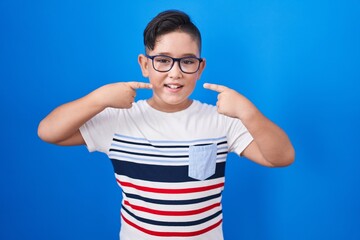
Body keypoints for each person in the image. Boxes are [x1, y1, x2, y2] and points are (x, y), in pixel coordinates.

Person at [38, 9, 295, 240]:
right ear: (144, 64)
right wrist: (98, 99)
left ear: (200, 67)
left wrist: (248, 112)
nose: (175, 73)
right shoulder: (119, 120)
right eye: (163, 60)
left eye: (187, 61)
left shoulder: (221, 120)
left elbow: (281, 157)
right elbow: (49, 132)